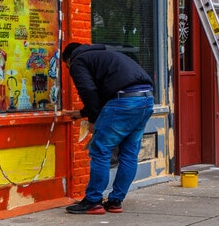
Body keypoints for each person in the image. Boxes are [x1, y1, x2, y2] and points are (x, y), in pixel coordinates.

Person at [63, 42, 154, 214]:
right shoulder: (104, 56)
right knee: (129, 152)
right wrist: (82, 113)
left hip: (123, 102)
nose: (69, 70)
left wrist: (93, 119)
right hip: (146, 100)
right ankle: (115, 201)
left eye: (67, 67)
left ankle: (93, 200)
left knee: (100, 150)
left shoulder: (78, 61)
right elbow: (107, 92)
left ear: (68, 59)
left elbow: (88, 91)